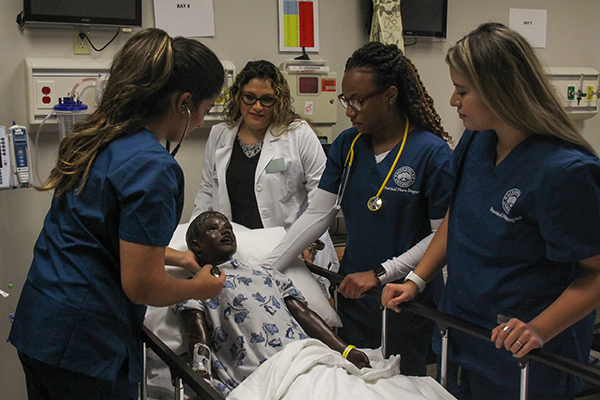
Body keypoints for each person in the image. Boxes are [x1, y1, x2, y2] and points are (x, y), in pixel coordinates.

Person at [382, 22, 600, 400]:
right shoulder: (478, 140)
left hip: (528, 358)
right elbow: (460, 215)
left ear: (501, 92)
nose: (453, 101)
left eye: (462, 91)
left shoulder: (564, 172)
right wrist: (417, 279)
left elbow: (597, 273)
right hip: (464, 333)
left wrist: (539, 329)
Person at [9, 28, 227, 400]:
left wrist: (175, 256)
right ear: (184, 102)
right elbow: (142, 286)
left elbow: (94, 229)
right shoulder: (153, 167)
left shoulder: (97, 136)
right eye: (205, 110)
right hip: (86, 346)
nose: (203, 122)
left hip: (41, 325)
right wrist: (199, 288)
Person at [262, 41, 453, 376]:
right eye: (344, 100)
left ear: (391, 95)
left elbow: (441, 237)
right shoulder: (347, 145)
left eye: (357, 101)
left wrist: (381, 272)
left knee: (401, 387)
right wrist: (266, 270)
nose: (349, 110)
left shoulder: (431, 154)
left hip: (403, 299)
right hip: (353, 293)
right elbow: (317, 215)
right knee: (352, 380)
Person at [172, 211, 370, 397]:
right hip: (259, 371)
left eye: (228, 227)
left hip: (305, 357)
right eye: (213, 228)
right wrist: (201, 376)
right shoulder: (194, 287)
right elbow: (197, 336)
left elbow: (304, 314)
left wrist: (346, 350)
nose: (225, 231)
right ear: (196, 245)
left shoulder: (267, 274)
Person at [189, 60, 339, 279]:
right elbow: (207, 193)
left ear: (278, 101)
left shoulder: (298, 134)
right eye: (249, 97)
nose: (257, 107)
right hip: (240, 251)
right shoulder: (220, 135)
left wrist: (309, 241)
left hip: (291, 249)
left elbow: (322, 197)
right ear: (239, 96)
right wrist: (195, 236)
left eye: (266, 100)